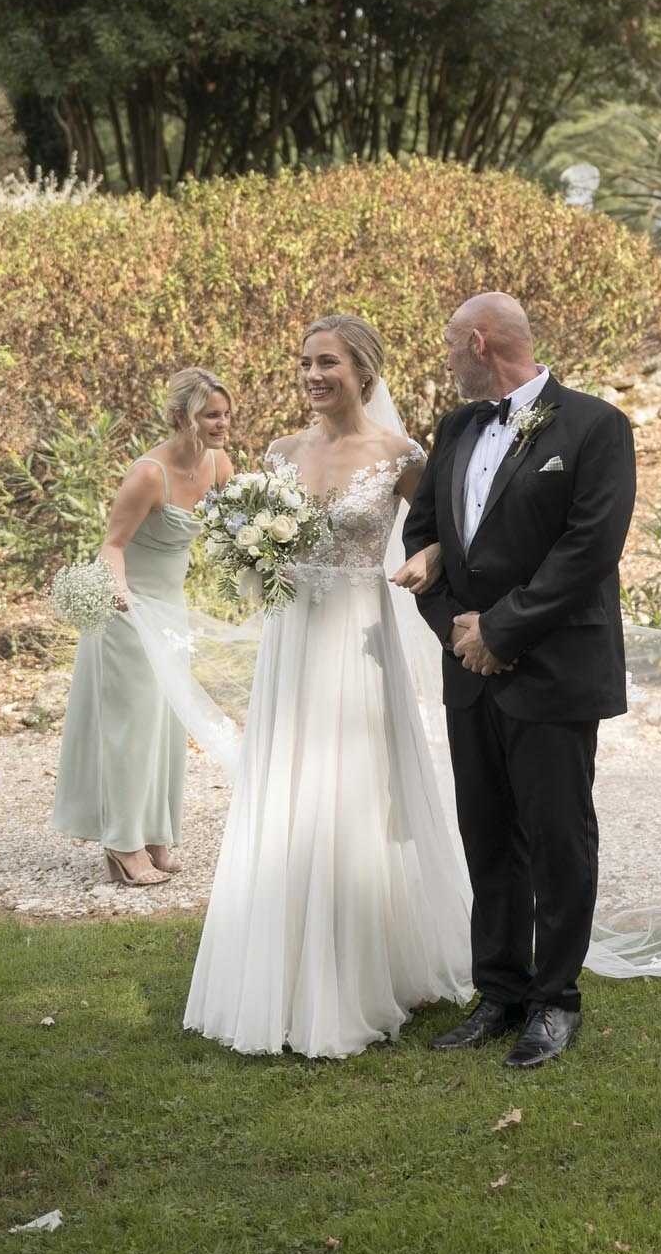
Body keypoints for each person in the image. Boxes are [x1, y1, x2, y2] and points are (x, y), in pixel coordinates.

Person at [184, 315, 472, 1059]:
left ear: (364, 370)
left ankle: (360, 971)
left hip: (355, 636)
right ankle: (282, 969)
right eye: (305, 363)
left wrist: (431, 558)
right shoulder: (280, 452)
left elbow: (447, 530)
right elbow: (254, 540)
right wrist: (252, 560)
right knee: (288, 786)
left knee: (353, 793)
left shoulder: (399, 453)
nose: (313, 375)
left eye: (328, 363)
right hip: (291, 640)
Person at [396, 292, 636, 1069]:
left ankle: (554, 1000)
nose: (446, 362)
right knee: (488, 834)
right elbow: (424, 534)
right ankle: (498, 989)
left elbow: (588, 549)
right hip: (471, 673)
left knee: (558, 836)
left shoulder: (595, 426)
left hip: (554, 668)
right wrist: (463, 636)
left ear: (480, 339)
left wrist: (500, 630)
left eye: (449, 348)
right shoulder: (456, 428)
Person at [52, 368, 233, 888]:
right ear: (182, 417)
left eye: (225, 414)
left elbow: (233, 524)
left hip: (171, 612)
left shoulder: (220, 463)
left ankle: (157, 835)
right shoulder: (148, 474)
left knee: (165, 724)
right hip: (126, 611)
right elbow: (112, 545)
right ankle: (123, 844)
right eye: (210, 415)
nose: (221, 424)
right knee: (130, 728)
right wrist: (119, 595)